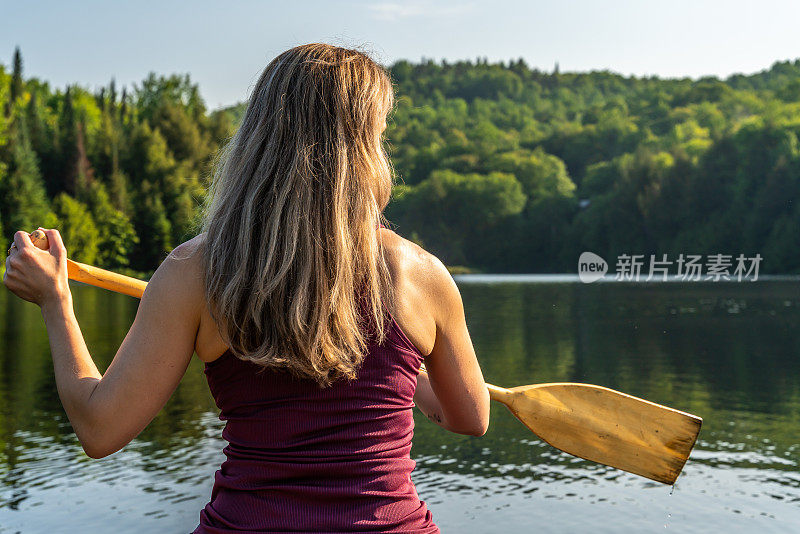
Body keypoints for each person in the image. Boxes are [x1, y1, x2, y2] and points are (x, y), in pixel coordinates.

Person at [2, 43, 490, 533]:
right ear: (363, 149)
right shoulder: (422, 274)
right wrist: (405, 378)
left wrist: (56, 301)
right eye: (380, 137)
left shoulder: (194, 272)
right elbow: (469, 416)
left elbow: (99, 427)